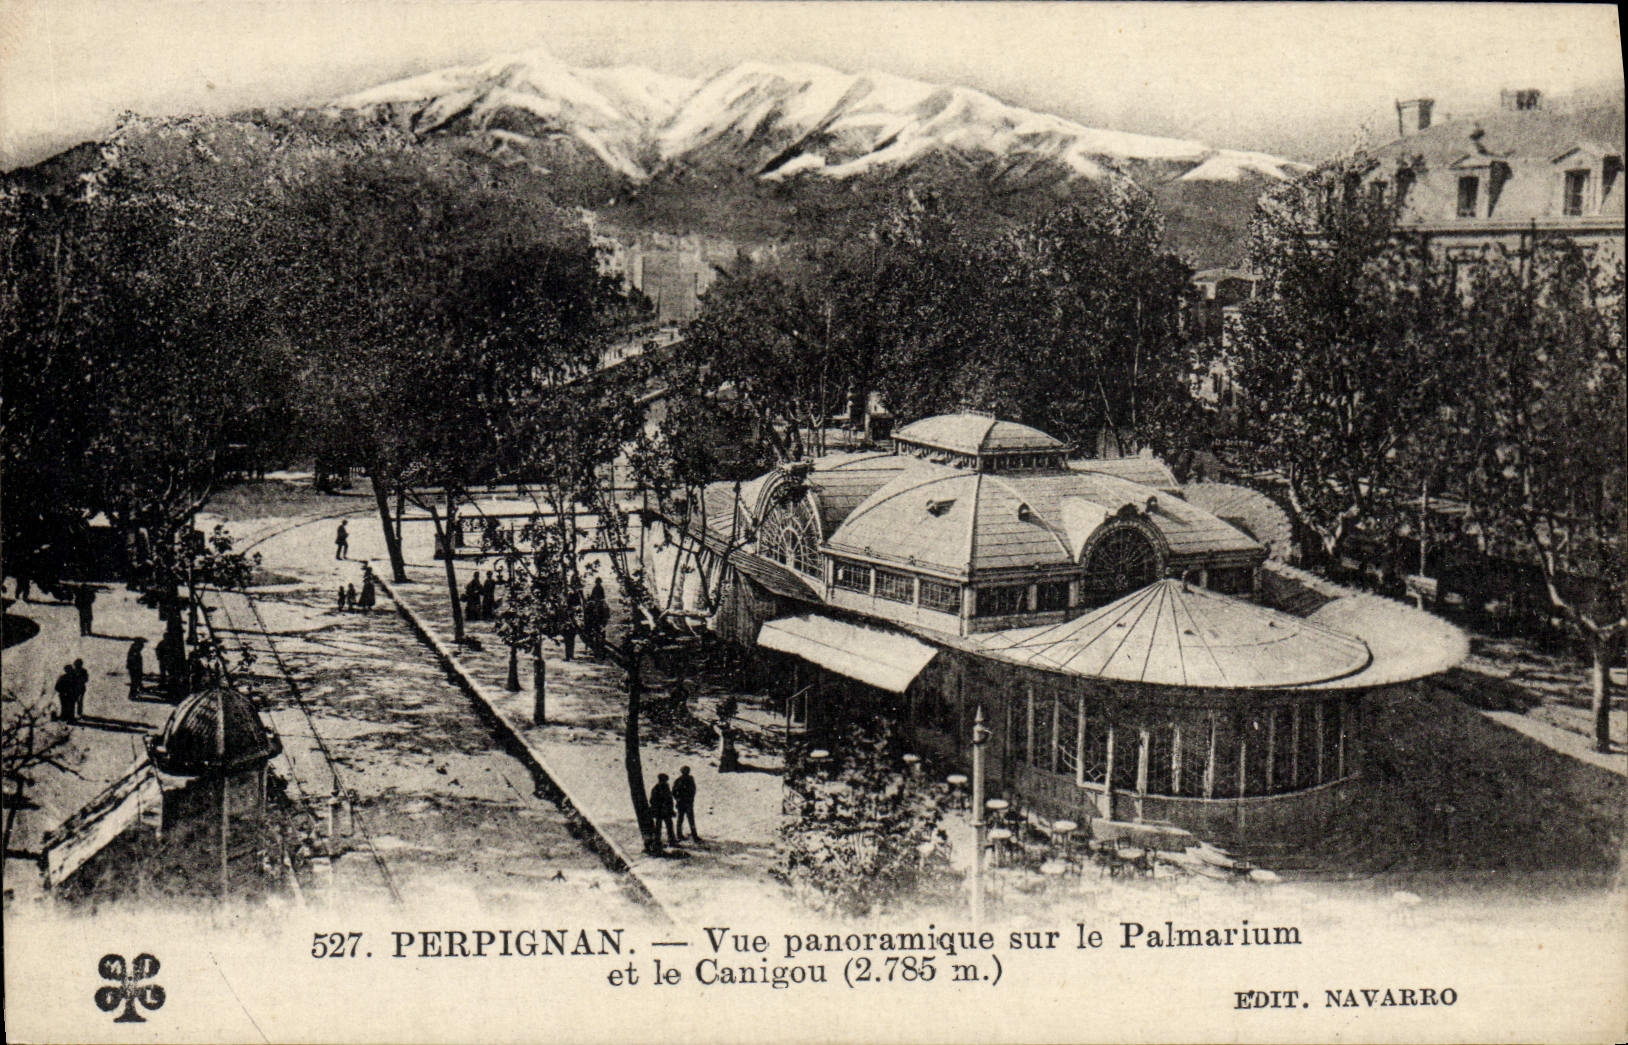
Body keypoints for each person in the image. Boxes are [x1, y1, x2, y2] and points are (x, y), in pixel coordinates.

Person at [649, 773, 677, 847]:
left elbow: (670, 800)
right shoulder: (656, 788)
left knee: (668, 826)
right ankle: (658, 841)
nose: (665, 782)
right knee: (659, 827)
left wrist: (671, 809)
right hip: (660, 811)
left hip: (666, 811)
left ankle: (671, 841)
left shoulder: (665, 787)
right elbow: (652, 800)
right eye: (664, 780)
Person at [673, 765, 700, 843]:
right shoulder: (679, 780)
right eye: (685, 771)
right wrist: (678, 799)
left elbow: (693, 790)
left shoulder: (689, 779)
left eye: (687, 771)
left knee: (689, 819)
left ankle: (693, 835)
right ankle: (680, 835)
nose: (686, 773)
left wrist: (691, 798)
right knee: (682, 819)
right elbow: (674, 792)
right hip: (683, 803)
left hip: (687, 802)